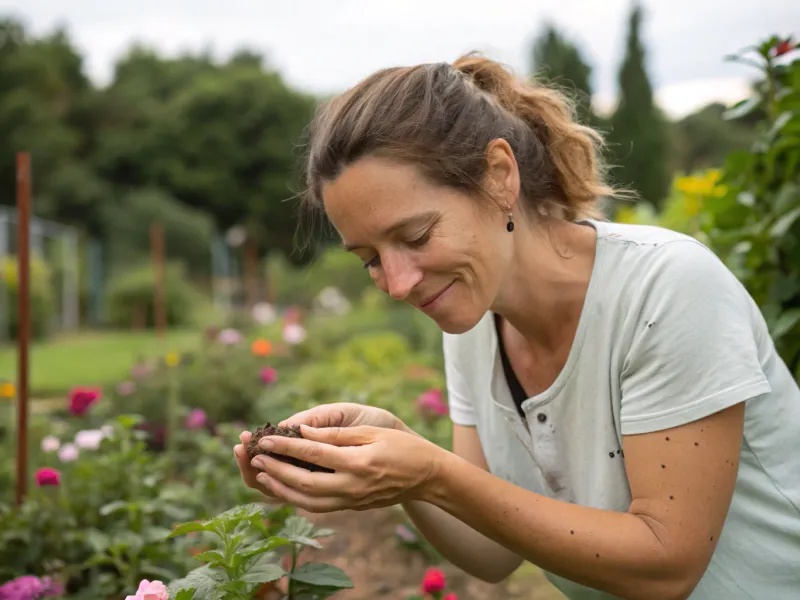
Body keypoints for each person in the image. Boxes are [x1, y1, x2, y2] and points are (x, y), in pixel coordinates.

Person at [233, 54, 800, 600]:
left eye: (417, 236)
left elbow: (667, 564)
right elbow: (492, 553)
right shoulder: (474, 322)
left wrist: (433, 474)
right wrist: (402, 453)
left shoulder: (665, 287)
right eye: (371, 259)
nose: (398, 284)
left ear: (500, 175)